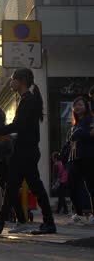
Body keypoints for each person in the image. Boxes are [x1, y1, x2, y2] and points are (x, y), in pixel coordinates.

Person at [0, 68, 57, 235]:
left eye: (12, 79)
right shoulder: (26, 100)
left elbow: (19, 125)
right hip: (24, 151)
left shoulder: (28, 101)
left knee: (29, 187)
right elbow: (21, 128)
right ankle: (1, 221)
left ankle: (48, 223)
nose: (10, 82)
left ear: (21, 81)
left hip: (25, 152)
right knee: (14, 186)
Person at [66, 96, 94, 225]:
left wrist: (81, 133)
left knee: (91, 186)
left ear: (86, 107)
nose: (77, 107)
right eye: (75, 105)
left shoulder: (91, 120)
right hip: (74, 159)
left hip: (88, 157)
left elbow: (91, 135)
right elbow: (70, 142)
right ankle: (79, 214)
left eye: (80, 105)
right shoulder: (75, 124)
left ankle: (92, 215)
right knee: (71, 186)